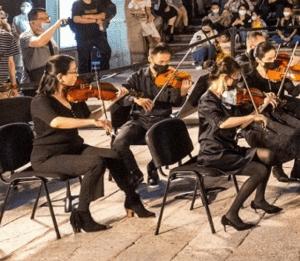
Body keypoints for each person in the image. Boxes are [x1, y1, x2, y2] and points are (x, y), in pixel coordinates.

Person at [31, 55, 153, 232]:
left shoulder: (73, 96)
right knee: (95, 163)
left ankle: (133, 200)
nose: (77, 75)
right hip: (48, 156)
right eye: (73, 71)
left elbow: (88, 118)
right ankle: (82, 215)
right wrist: (92, 123)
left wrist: (113, 101)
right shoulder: (41, 100)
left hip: (73, 148)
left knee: (114, 155)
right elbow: (56, 122)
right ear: (60, 77)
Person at [197, 56, 280, 231]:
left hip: (228, 147)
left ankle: (259, 200)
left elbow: (240, 122)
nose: (237, 82)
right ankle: (231, 215)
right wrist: (251, 116)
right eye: (234, 78)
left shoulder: (226, 97)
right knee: (260, 170)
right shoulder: (207, 100)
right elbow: (223, 123)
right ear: (223, 77)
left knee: (269, 155)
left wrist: (262, 106)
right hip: (214, 152)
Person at [112, 43, 191, 186]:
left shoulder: (172, 77)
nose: (165, 65)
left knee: (170, 141)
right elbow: (121, 94)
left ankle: (152, 168)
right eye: (161, 62)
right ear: (150, 59)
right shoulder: (137, 77)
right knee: (118, 143)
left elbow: (175, 102)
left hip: (162, 120)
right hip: (139, 119)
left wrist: (183, 93)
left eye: (167, 61)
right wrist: (136, 99)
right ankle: (135, 173)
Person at [243, 41, 300, 183]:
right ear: (258, 60)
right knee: (286, 135)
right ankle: (277, 167)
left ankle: (297, 169)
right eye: (269, 59)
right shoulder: (250, 78)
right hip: (263, 115)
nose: (274, 61)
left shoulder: (279, 70)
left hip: (279, 111)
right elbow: (249, 107)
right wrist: (264, 100)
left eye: (274, 57)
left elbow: (293, 92)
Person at [70, 0, 112, 74]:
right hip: (83, 35)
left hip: (97, 34)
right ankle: (85, 78)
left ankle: (103, 73)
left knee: (106, 51)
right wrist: (95, 20)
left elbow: (103, 15)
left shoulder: (96, 2)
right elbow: (77, 19)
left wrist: (87, 16)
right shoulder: (77, 4)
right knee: (85, 59)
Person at [19, 9, 65, 87]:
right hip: (33, 83)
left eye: (48, 18)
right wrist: (55, 26)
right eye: (43, 19)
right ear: (32, 22)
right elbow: (39, 42)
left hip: (50, 80)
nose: (47, 21)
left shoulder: (49, 37)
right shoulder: (25, 36)